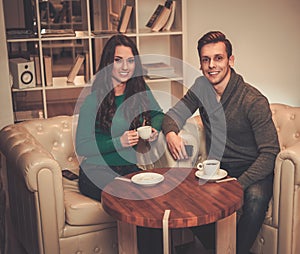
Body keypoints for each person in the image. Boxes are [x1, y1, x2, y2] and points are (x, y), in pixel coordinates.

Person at [162, 31, 280, 254]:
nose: (211, 65)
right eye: (206, 59)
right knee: (186, 199)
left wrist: (239, 183)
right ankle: (223, 250)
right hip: (221, 169)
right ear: (200, 64)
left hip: (255, 170)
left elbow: (270, 153)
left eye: (218, 58)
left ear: (230, 61)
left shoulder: (252, 100)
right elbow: (172, 116)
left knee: (254, 200)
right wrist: (170, 133)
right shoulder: (201, 88)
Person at [75, 34, 164, 254]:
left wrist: (154, 129)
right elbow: (83, 147)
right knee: (133, 203)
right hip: (95, 171)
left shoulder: (140, 92)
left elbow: (159, 114)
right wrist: (119, 142)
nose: (125, 66)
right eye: (118, 60)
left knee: (154, 205)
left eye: (130, 60)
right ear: (108, 63)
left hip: (127, 168)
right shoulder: (93, 99)